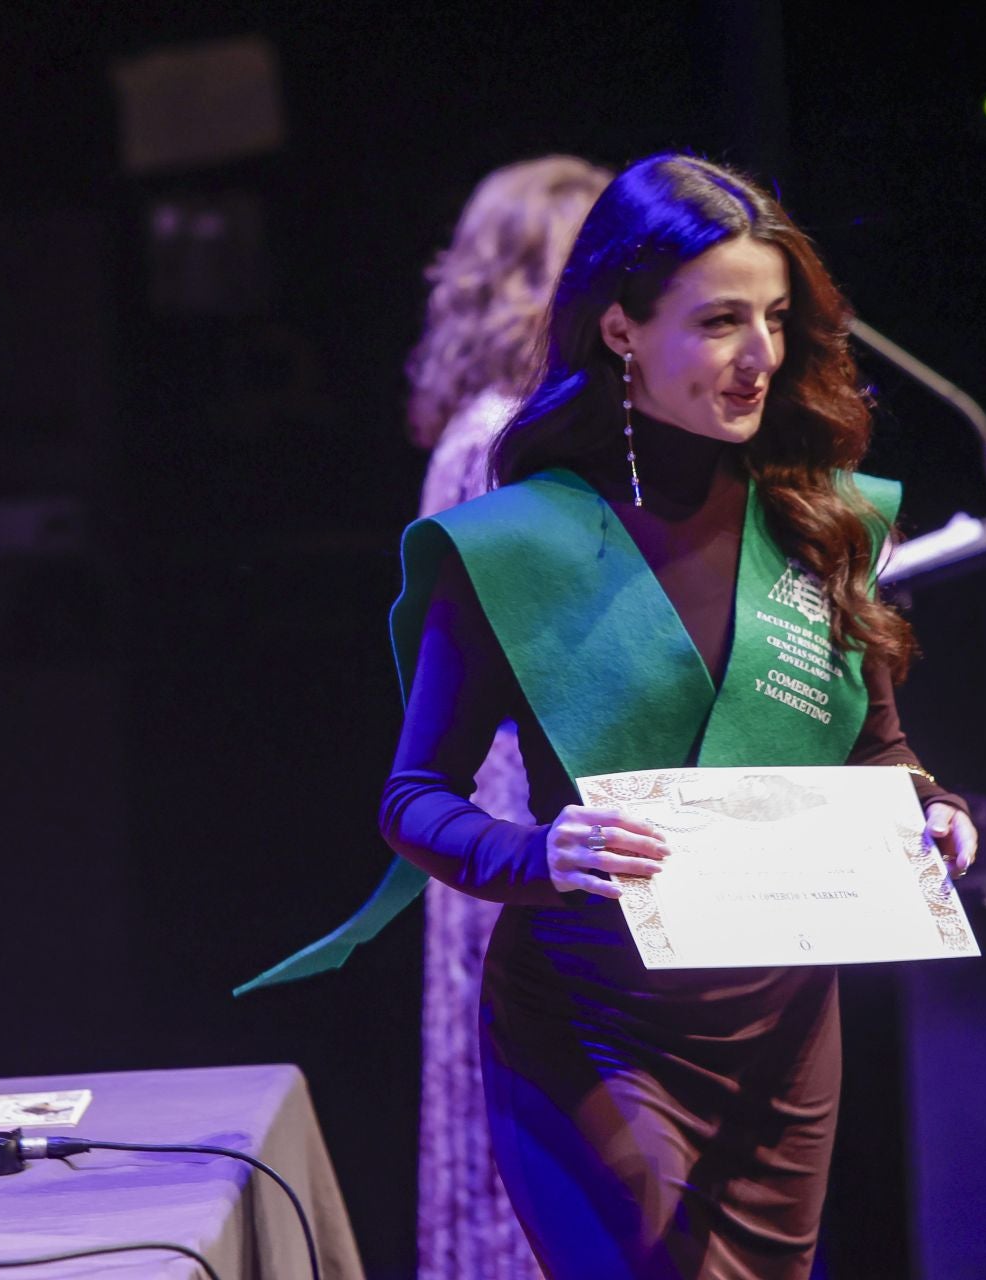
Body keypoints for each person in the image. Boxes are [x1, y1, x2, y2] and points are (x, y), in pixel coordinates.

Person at [378, 154, 979, 1279]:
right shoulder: (518, 542)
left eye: (774, 318)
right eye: (718, 322)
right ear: (619, 329)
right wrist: (538, 850)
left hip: (783, 1035)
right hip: (593, 1021)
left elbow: (879, 750)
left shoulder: (820, 523)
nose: (759, 354)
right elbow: (413, 800)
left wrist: (934, 810)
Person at [404, 154, 610, 1280]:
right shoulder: (497, 440)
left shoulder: (501, 428)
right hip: (511, 811)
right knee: (535, 1118)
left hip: (523, 806)